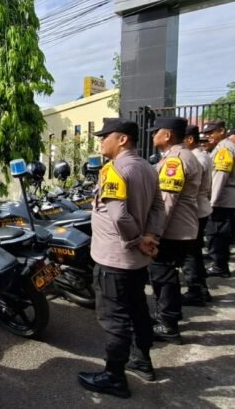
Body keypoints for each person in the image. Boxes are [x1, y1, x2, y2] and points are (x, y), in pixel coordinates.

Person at [78, 119, 165, 398]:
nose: (101, 142)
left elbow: (119, 216)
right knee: (138, 310)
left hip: (114, 259)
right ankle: (143, 362)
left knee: (114, 320)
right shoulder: (148, 168)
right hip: (137, 262)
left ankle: (114, 377)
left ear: (123, 139)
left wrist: (137, 240)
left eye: (105, 137)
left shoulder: (114, 170)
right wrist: (150, 235)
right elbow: (159, 207)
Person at [148, 117, 201, 344]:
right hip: (182, 226)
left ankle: (167, 324)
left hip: (172, 229)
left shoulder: (175, 161)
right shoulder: (182, 156)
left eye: (155, 132)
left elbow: (167, 201)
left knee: (163, 275)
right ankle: (169, 315)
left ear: (167, 135)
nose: (152, 136)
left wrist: (153, 234)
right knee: (167, 274)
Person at [202, 120, 235, 278]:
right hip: (225, 198)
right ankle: (218, 261)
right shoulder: (221, 147)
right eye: (206, 134)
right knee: (218, 234)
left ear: (222, 131)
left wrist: (212, 202)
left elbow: (220, 176)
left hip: (222, 199)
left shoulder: (224, 149)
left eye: (211, 133)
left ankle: (219, 266)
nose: (208, 136)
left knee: (216, 234)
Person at [182, 126, 213, 306]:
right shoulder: (201, 155)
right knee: (195, 252)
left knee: (190, 253)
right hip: (199, 208)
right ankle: (201, 288)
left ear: (190, 140)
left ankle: (196, 290)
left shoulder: (195, 158)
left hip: (193, 209)